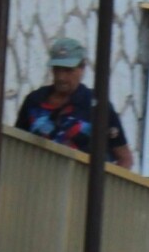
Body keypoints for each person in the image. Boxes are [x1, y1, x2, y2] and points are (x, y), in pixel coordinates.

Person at [16, 36, 134, 170]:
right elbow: (16, 145)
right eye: (57, 69)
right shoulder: (34, 101)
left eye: (68, 70)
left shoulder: (97, 106)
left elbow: (125, 159)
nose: (61, 77)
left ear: (82, 68)